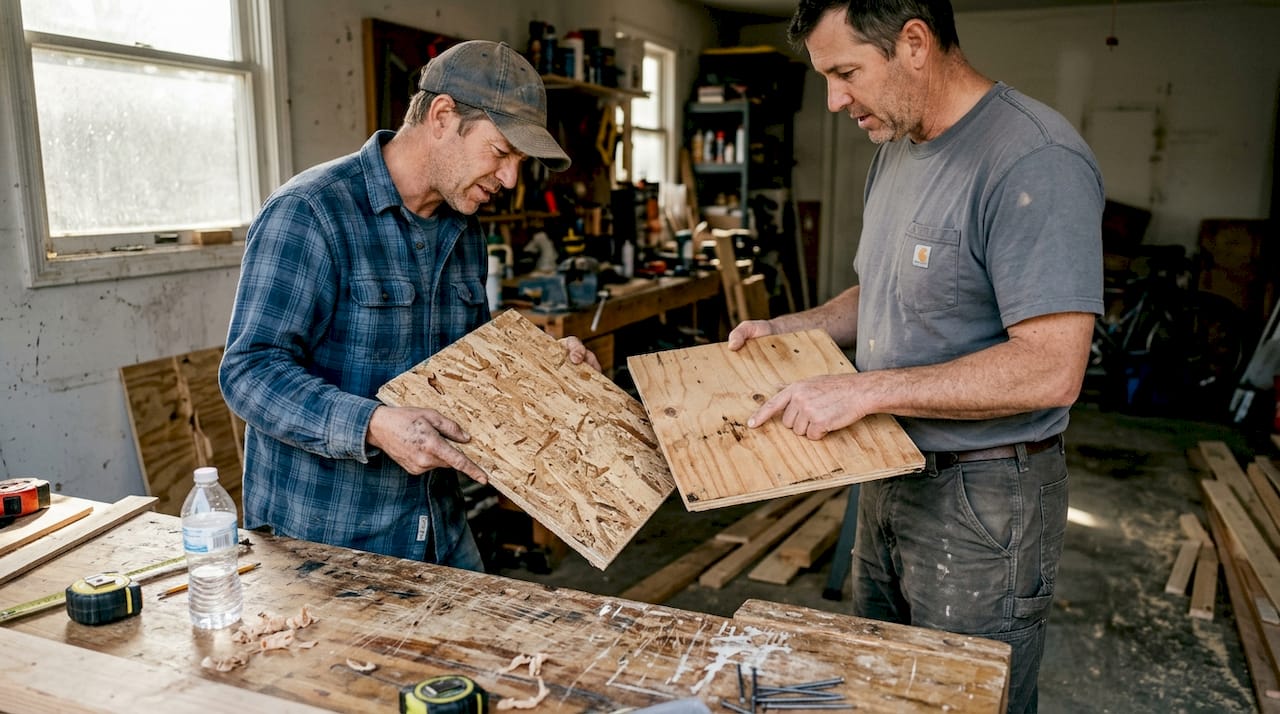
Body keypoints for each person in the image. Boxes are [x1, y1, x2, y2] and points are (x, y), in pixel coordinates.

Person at [728, 2, 1103, 712]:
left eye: (845, 73)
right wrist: (791, 326)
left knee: (960, 699)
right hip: (892, 470)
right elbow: (886, 293)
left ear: (914, 42)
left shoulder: (1033, 158)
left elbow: (1054, 366)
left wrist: (866, 392)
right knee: (878, 688)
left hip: (985, 498)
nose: (835, 100)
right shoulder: (897, 148)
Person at [220, 40, 598, 573]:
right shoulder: (310, 213)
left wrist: (543, 378)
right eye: (501, 152)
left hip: (437, 527)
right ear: (443, 116)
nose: (510, 180)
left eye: (519, 161)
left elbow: (467, 368)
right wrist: (372, 424)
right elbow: (248, 372)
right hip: (325, 540)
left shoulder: (464, 229)